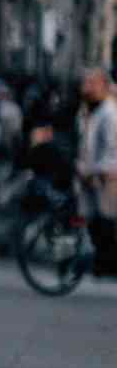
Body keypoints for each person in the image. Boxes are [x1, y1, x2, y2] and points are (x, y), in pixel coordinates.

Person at [78, 69, 117, 274]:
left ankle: (107, 263)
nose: (86, 87)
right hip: (93, 174)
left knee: (106, 218)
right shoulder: (91, 110)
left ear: (102, 85)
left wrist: (98, 170)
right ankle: (102, 261)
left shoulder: (109, 113)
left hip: (107, 176)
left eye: (91, 83)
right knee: (92, 217)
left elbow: (112, 148)